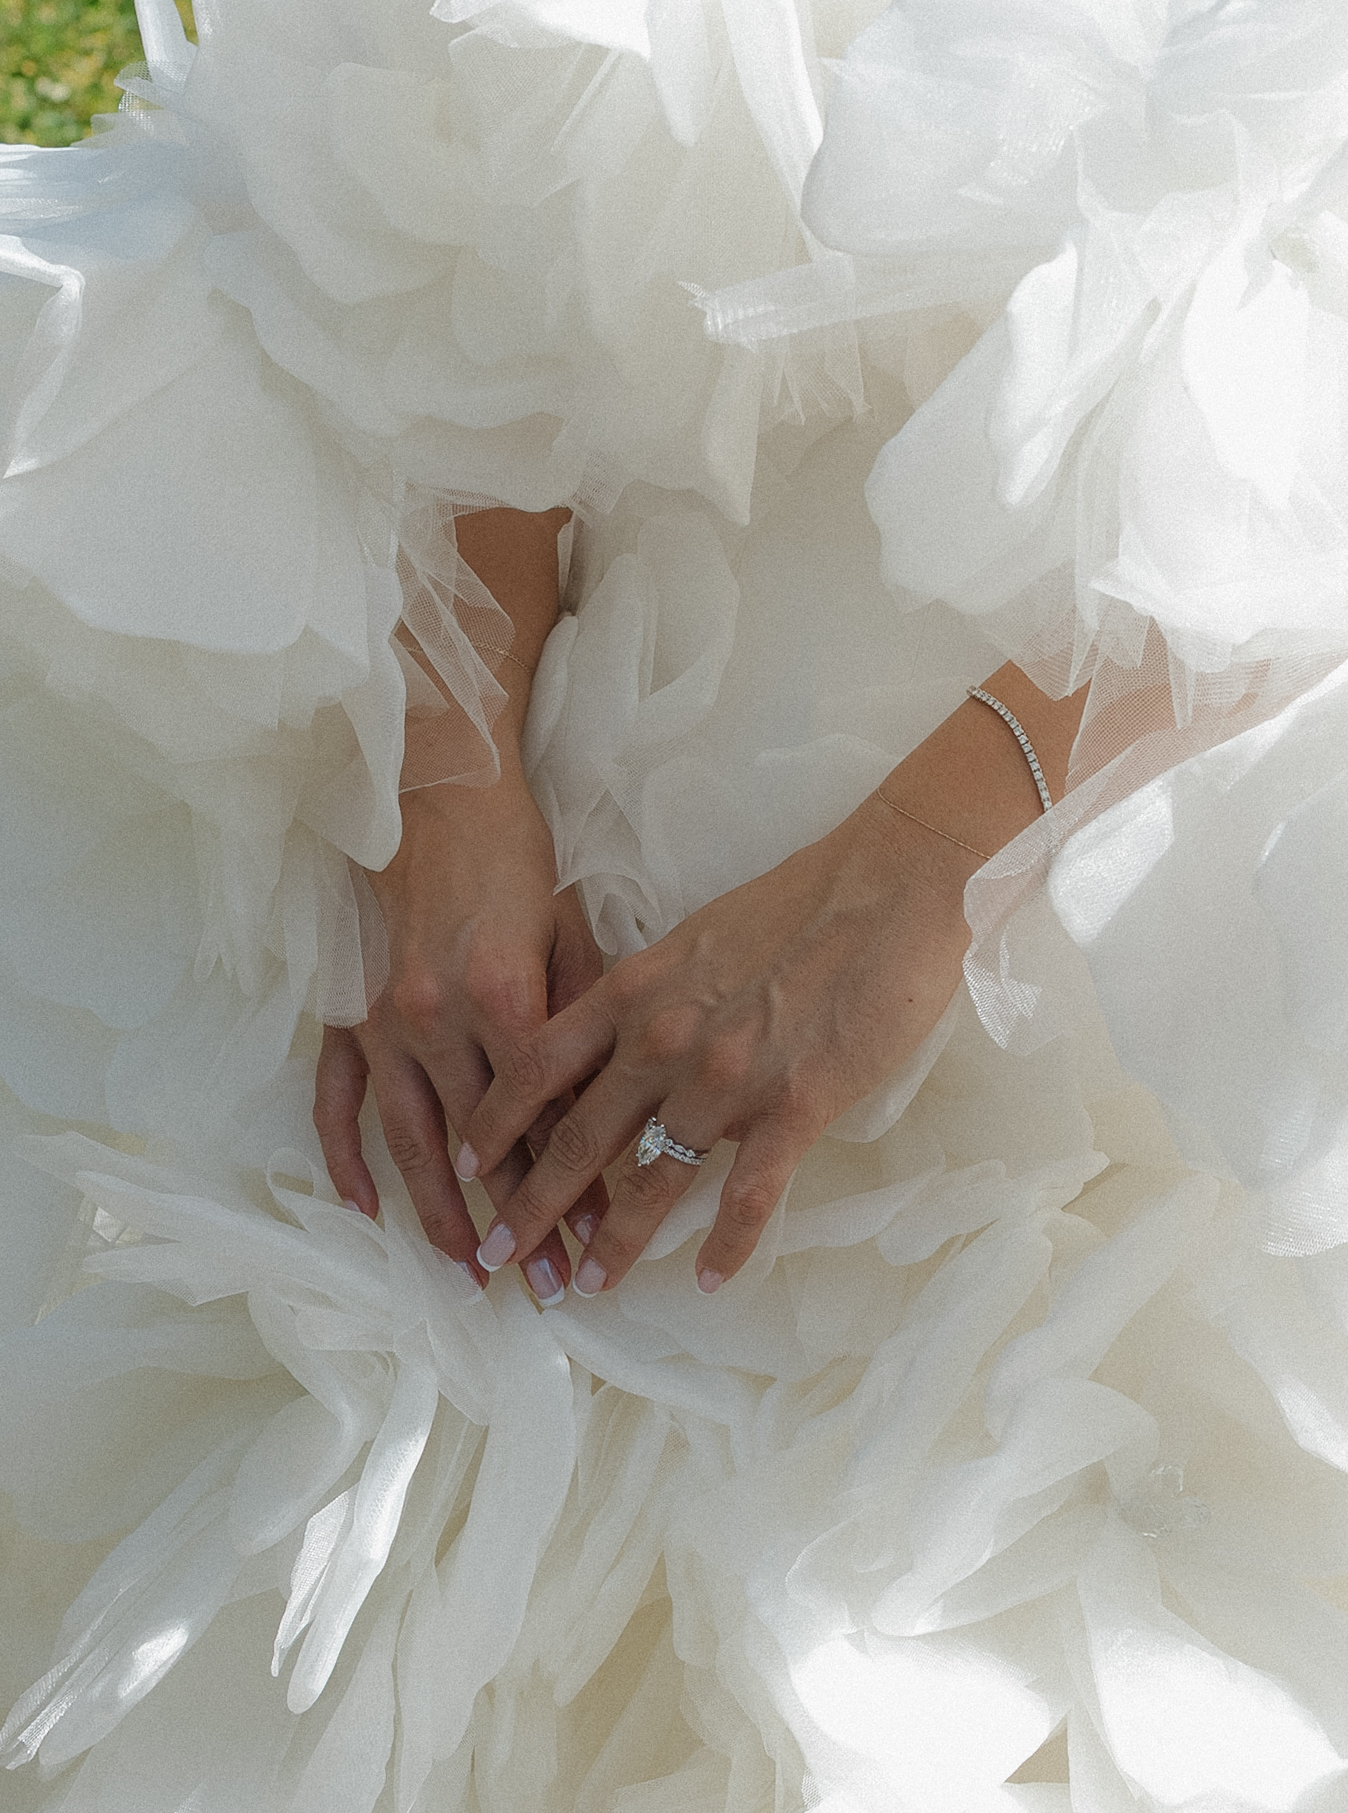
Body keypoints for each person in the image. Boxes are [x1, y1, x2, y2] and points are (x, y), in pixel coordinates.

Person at [3, 1, 1348, 1809]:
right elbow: (457, 95)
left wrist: (925, 865)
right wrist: (448, 752)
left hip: (1133, 819)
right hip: (534, 804)